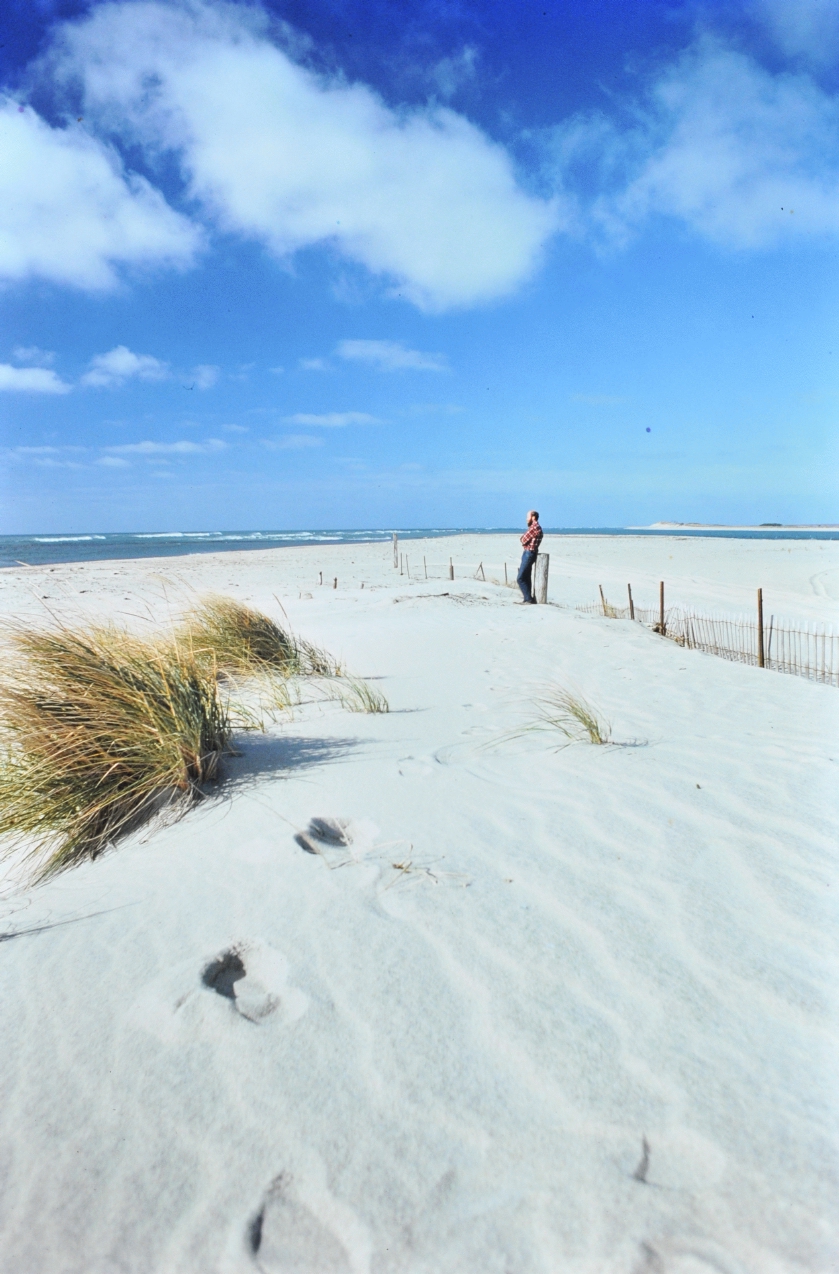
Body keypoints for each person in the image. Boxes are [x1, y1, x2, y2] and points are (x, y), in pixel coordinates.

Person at [517, 510, 543, 603]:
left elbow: (523, 539)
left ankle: (528, 599)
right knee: (526, 576)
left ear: (533, 517)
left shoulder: (534, 527)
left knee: (520, 578)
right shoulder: (535, 527)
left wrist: (524, 539)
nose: (526, 519)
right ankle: (528, 598)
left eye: (527, 517)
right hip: (530, 552)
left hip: (529, 553)